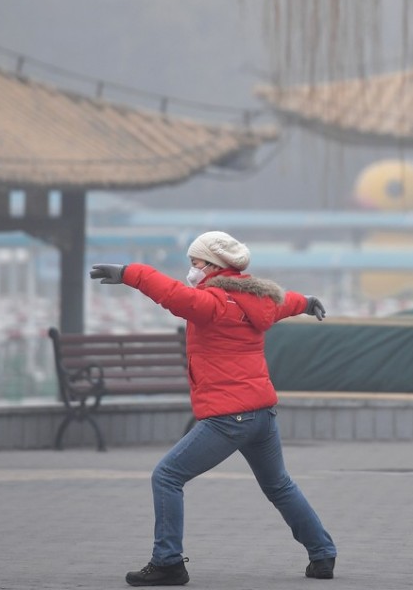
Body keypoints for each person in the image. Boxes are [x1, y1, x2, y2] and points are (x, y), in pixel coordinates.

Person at [90, 230, 337, 585]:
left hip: (228, 417)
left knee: (167, 476)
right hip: (262, 414)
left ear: (214, 265)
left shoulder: (213, 303)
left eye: (195, 263)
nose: (191, 271)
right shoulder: (258, 299)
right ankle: (322, 553)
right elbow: (285, 302)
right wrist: (308, 300)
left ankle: (168, 562)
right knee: (278, 484)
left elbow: (172, 294)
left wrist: (129, 272)